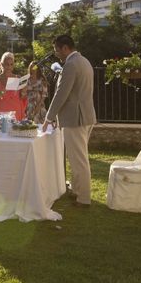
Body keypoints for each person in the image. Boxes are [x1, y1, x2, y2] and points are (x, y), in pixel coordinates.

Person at [42, 35, 96, 207]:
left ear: (65, 48)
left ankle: (84, 198)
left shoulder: (71, 65)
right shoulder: (84, 61)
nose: (57, 54)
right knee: (78, 158)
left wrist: (49, 117)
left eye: (57, 50)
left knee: (78, 160)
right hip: (85, 116)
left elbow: (61, 94)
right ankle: (77, 191)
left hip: (75, 119)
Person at [0, 52, 27, 121]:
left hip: (16, 114)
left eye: (11, 64)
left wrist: (24, 92)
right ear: (1, 64)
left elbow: (23, 98)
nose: (9, 67)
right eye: (7, 64)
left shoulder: (18, 78)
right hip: (1, 115)